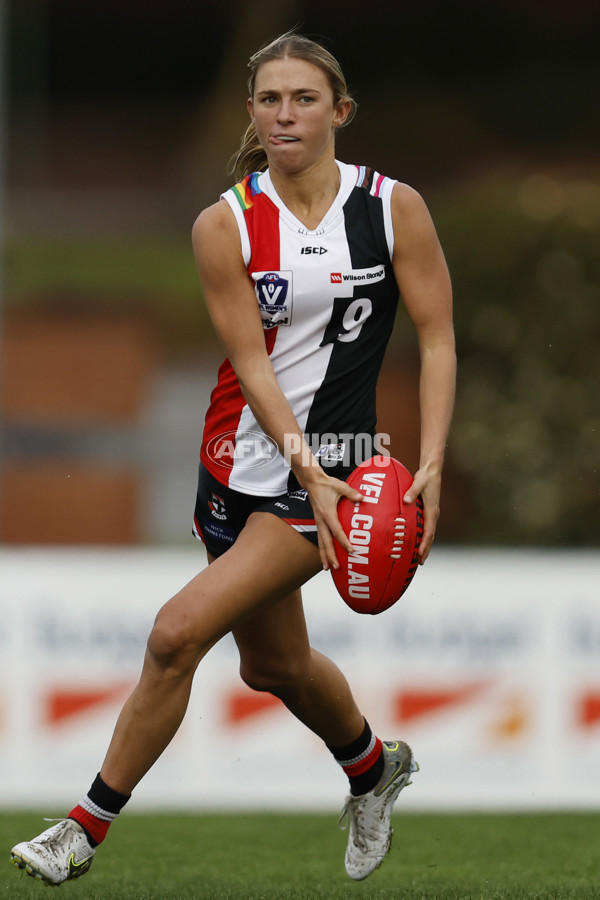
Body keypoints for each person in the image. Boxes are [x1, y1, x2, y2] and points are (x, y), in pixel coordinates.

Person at [11, 31, 455, 886]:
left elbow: (437, 341)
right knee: (273, 665)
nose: (285, 114)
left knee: (175, 635)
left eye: (305, 98)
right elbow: (252, 364)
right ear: (252, 112)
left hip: (333, 471)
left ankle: (83, 828)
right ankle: (373, 767)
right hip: (235, 463)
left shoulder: (394, 207)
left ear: (342, 111)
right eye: (269, 99)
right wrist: (291, 461)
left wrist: (426, 466)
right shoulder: (224, 223)